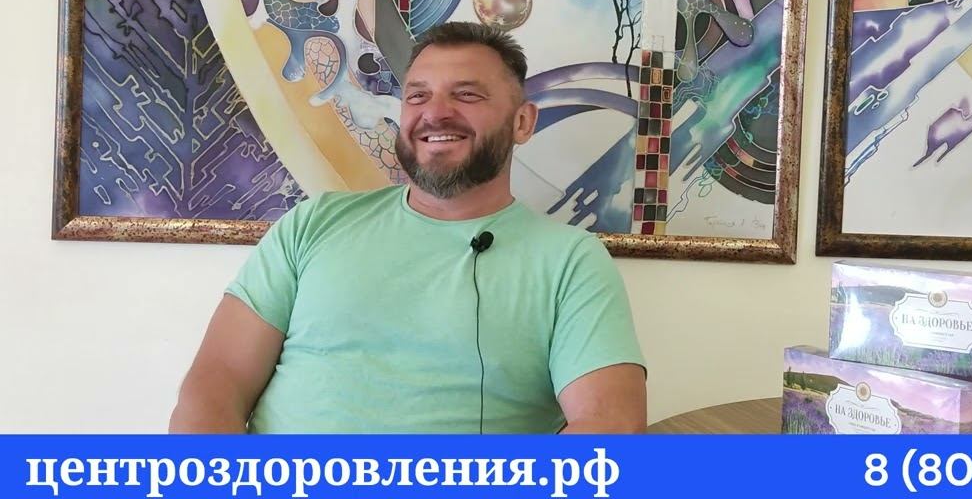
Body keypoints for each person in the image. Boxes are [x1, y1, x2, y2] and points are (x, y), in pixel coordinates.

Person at [169, 22, 647, 433]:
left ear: (522, 122)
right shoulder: (314, 223)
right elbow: (218, 380)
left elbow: (610, 423)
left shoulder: (570, 261)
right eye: (418, 95)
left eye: (467, 94)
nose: (434, 112)